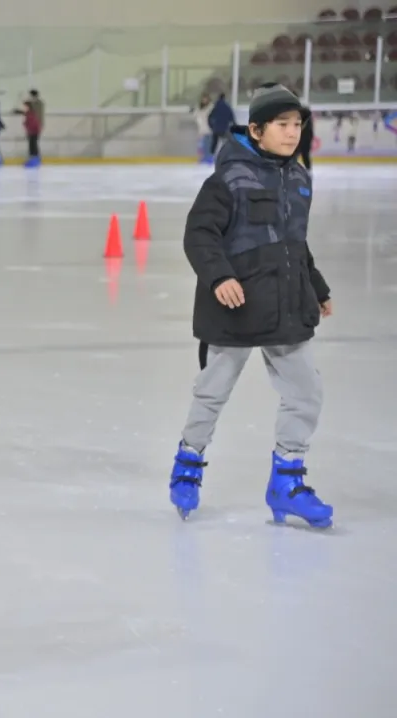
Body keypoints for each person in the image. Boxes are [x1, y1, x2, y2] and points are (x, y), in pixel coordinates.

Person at [170, 83, 334, 529]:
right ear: (257, 130)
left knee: (305, 393)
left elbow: (295, 244)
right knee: (212, 392)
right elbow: (199, 234)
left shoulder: (298, 178)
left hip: (286, 305)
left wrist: (317, 287)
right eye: (282, 124)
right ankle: (188, 461)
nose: (292, 132)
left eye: (297, 124)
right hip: (236, 306)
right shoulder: (229, 179)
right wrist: (219, 276)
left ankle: (287, 482)